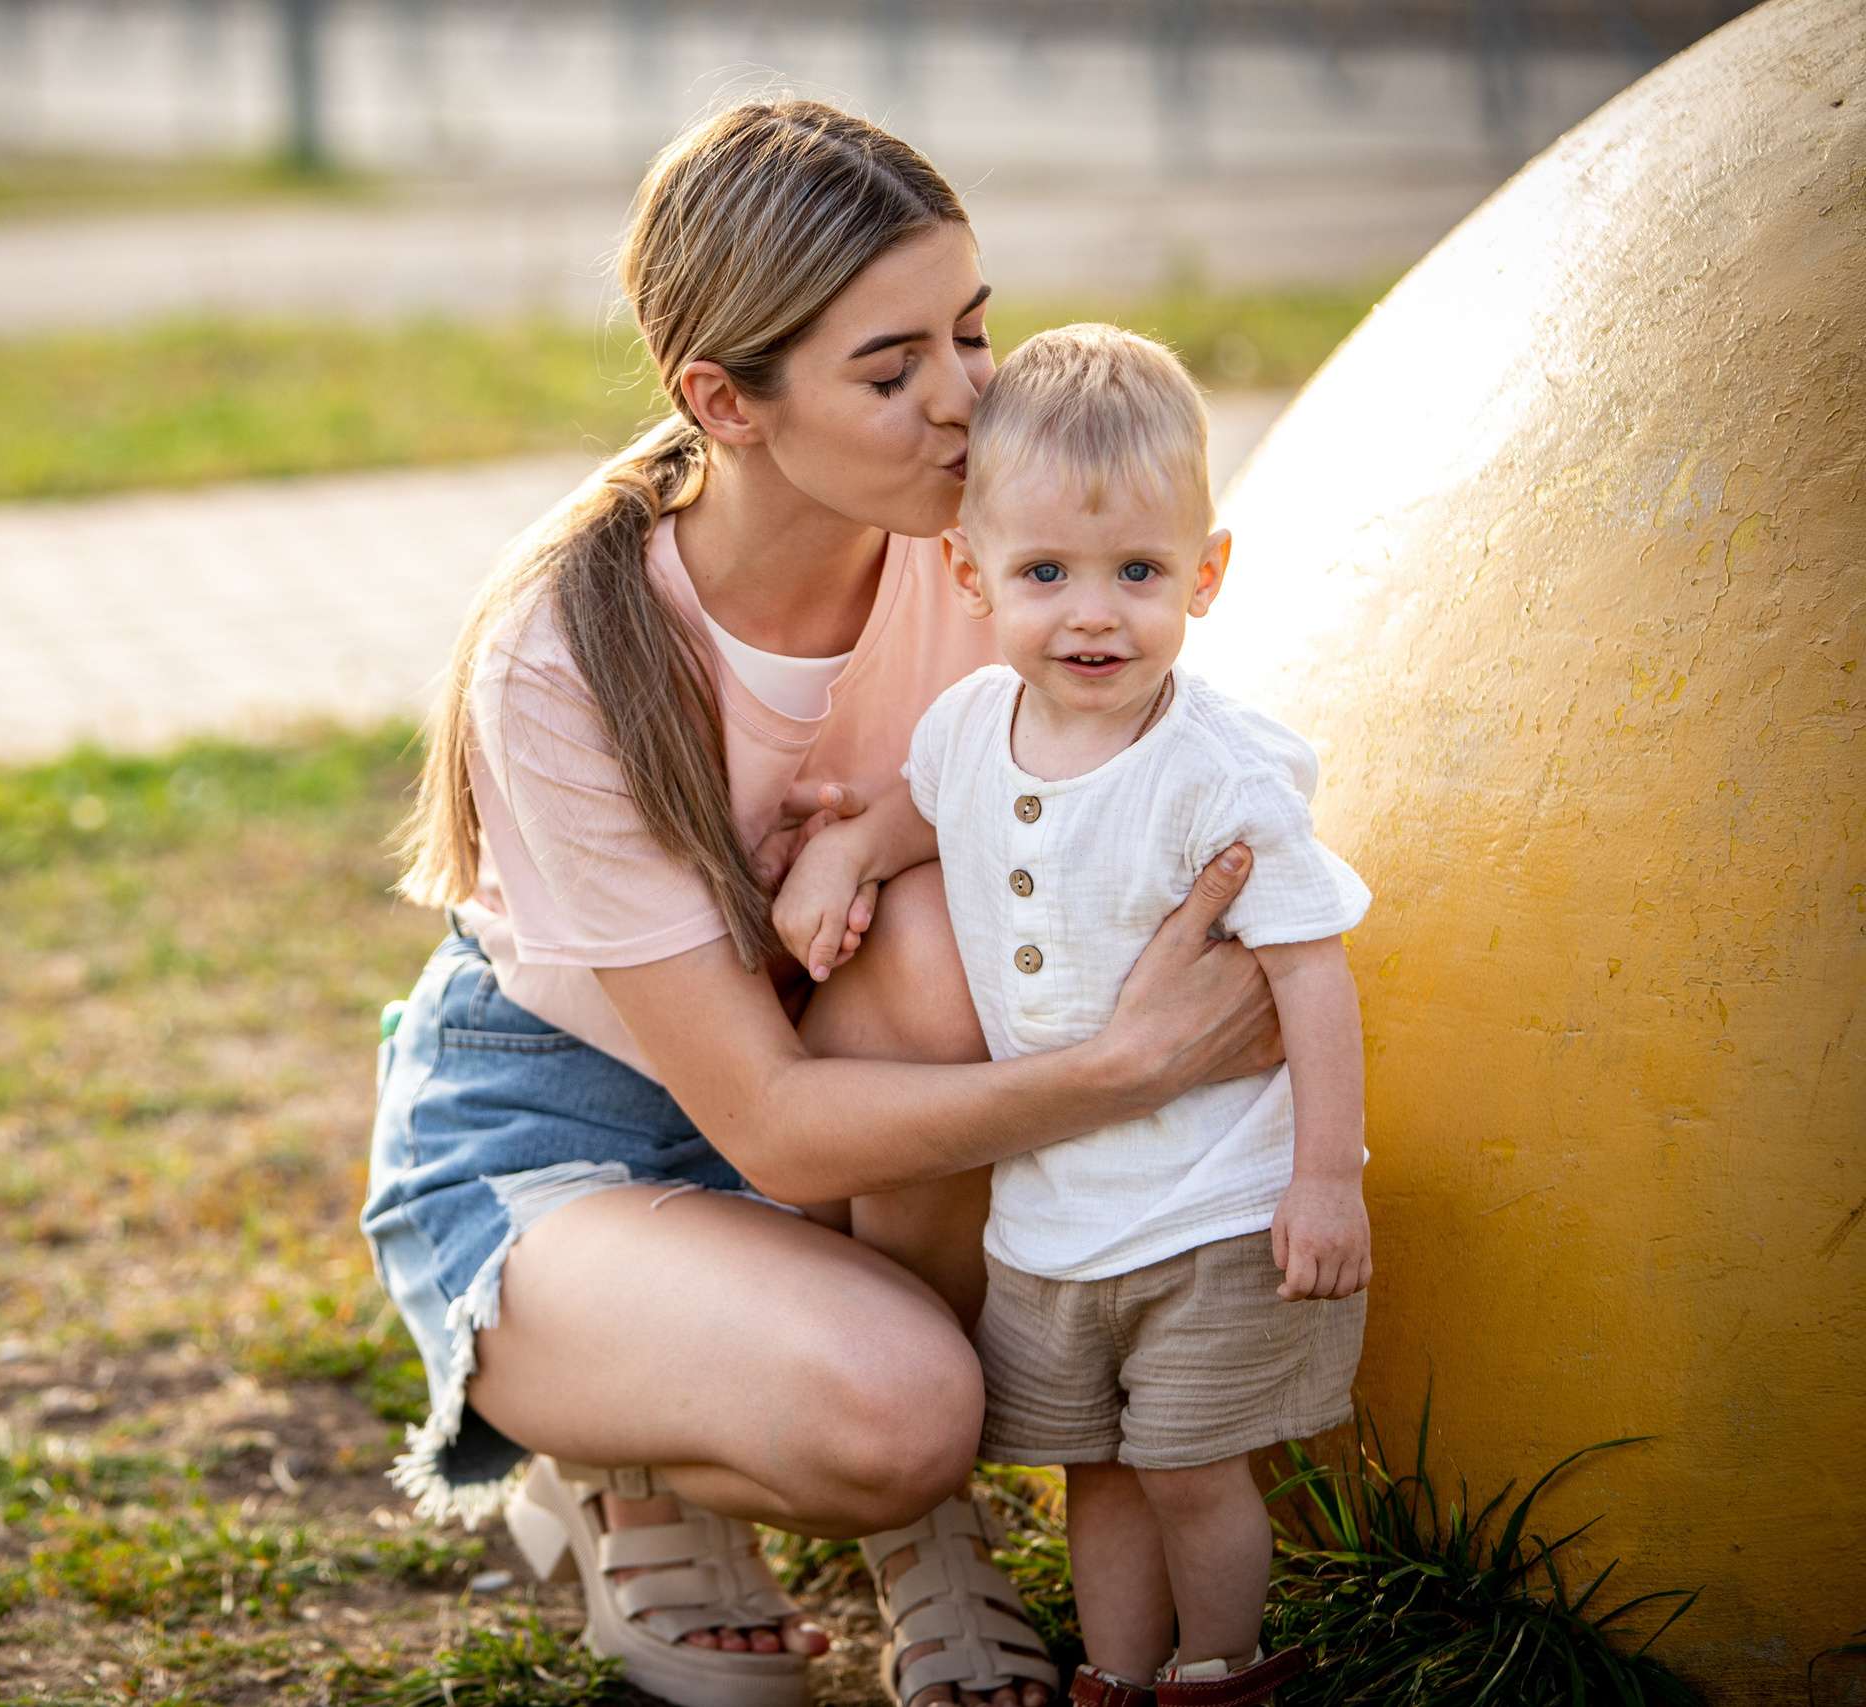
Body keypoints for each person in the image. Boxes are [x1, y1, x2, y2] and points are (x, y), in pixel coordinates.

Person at [365, 101, 1287, 1707]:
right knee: (903, 1414)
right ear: (724, 400)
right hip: (568, 1129)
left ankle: (919, 1536)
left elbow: (1146, 790)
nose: (966, 399)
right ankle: (626, 1469)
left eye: (973, 330)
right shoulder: (568, 651)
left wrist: (878, 843)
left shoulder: (990, 553)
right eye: (891, 369)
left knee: (931, 950)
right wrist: (1126, 1069)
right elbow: (779, 1127)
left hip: (830, 1059)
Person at [770, 325, 1372, 1706]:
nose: (1092, 615)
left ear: (1204, 575)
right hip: (1051, 1218)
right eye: (1046, 574)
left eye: (1138, 574)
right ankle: (1114, 1675)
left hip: (1213, 1205)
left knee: (1188, 1466)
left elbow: (1312, 971)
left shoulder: (1219, 777)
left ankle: (1220, 1671)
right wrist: (848, 852)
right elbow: (927, 807)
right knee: (1093, 1468)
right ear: (972, 574)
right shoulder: (973, 724)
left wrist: (1324, 1177)